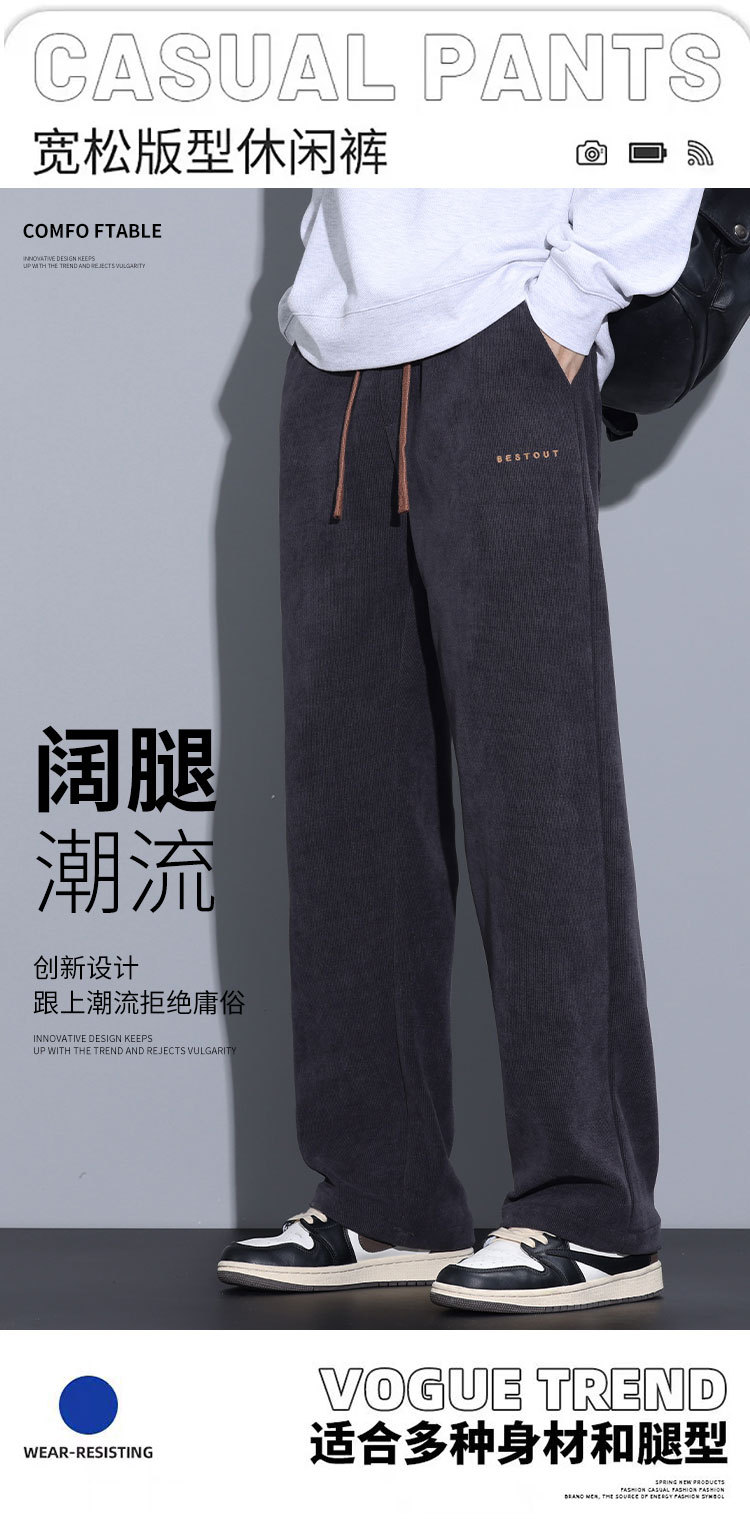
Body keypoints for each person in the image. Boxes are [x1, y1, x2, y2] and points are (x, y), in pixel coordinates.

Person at [218, 188, 703, 1313]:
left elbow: (671, 110)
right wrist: (328, 287)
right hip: (335, 357)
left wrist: (570, 303)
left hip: (504, 333)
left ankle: (594, 1213)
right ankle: (381, 1195)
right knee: (350, 805)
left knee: (539, 788)